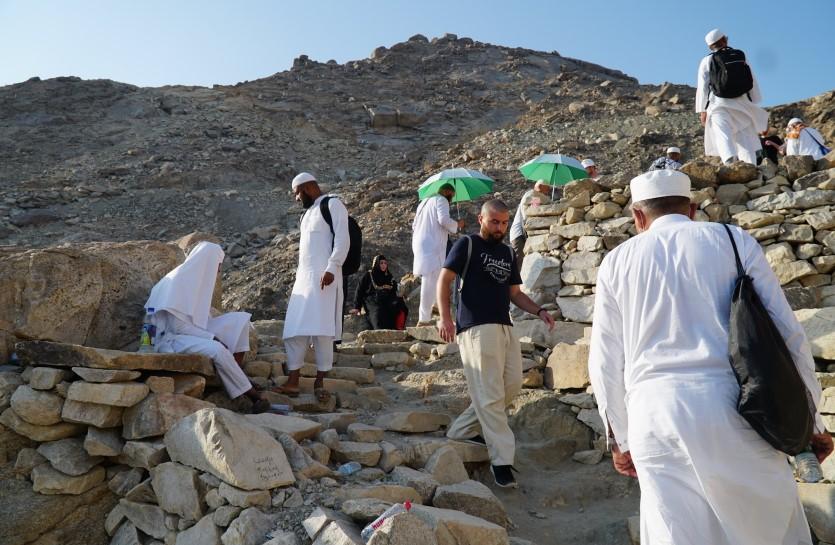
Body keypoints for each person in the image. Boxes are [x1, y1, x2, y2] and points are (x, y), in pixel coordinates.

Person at [588, 169, 833, 545]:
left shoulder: (616, 262)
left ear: (638, 216)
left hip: (654, 415)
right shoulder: (732, 240)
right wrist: (811, 417)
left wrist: (619, 437)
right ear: (693, 209)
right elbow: (787, 333)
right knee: (766, 530)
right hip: (739, 408)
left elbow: (605, 359)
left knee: (679, 534)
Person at [438, 199, 556, 488]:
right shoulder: (466, 244)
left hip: (504, 325)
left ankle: (461, 429)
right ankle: (502, 461)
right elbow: (444, 280)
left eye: (504, 222)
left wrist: (539, 310)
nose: (500, 227)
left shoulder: (505, 252)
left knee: (513, 384)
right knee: (490, 395)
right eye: (494, 222)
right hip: (476, 328)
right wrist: (445, 318)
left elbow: (515, 293)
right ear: (481, 218)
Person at [145, 241, 269, 412]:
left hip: (189, 329)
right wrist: (214, 337)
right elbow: (178, 328)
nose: (219, 270)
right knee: (217, 349)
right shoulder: (178, 281)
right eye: (218, 265)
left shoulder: (192, 278)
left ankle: (238, 376)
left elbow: (197, 317)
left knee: (239, 322)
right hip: (168, 338)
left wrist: (214, 333)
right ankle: (252, 395)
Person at [279, 172, 349, 402]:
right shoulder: (306, 214)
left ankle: (320, 382)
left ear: (308, 187)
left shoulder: (333, 204)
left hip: (325, 279)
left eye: (297, 193)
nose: (296, 199)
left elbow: (342, 240)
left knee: (322, 332)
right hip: (304, 280)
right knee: (294, 330)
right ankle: (293, 381)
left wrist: (332, 267)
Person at [696, 29, 768, 165]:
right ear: (724, 40)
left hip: (718, 104)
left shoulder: (707, 60)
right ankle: (751, 165)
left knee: (723, 133)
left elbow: (703, 87)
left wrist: (702, 110)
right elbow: (752, 78)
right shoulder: (739, 55)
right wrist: (754, 100)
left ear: (710, 46)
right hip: (742, 103)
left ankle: (730, 162)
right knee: (744, 134)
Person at [411, 184, 464, 325]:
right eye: (451, 195)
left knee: (437, 276)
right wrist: (457, 225)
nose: (451, 198)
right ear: (447, 192)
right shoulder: (441, 200)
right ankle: (424, 318)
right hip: (431, 245)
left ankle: (435, 306)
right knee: (430, 278)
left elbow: (414, 225)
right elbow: (443, 220)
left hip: (421, 242)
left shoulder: (423, 203)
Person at [350, 255, 409, 330]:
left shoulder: (389, 276)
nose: (384, 265)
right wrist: (357, 307)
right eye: (381, 263)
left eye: (385, 263)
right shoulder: (369, 275)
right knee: (379, 312)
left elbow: (394, 288)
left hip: (386, 299)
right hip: (372, 300)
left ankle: (399, 328)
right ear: (376, 264)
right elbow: (360, 290)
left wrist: (402, 294)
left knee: (400, 304)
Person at [509, 180, 550, 273]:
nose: (547, 192)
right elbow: (528, 216)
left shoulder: (537, 197)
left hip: (525, 234)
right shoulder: (532, 195)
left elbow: (535, 211)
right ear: (539, 187)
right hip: (519, 234)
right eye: (546, 189)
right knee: (518, 264)